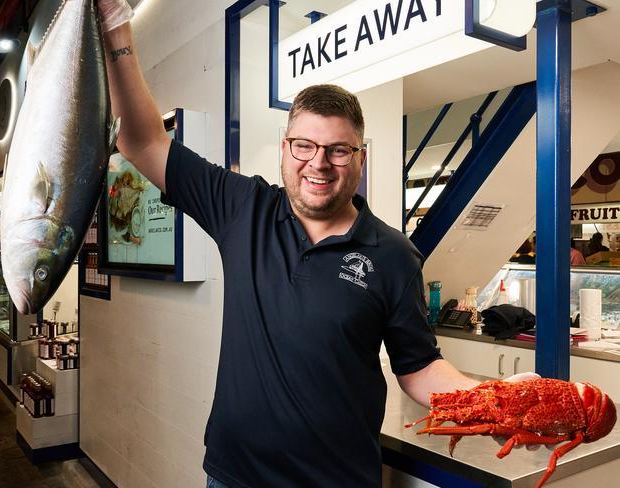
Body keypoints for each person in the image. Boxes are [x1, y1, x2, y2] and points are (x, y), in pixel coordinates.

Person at [96, 2, 537, 486]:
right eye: (304, 146)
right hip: (234, 475)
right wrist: (116, 22)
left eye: (338, 150)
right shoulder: (243, 209)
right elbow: (140, 141)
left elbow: (419, 367)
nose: (318, 164)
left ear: (360, 157)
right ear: (286, 148)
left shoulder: (393, 254)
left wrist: (489, 399)